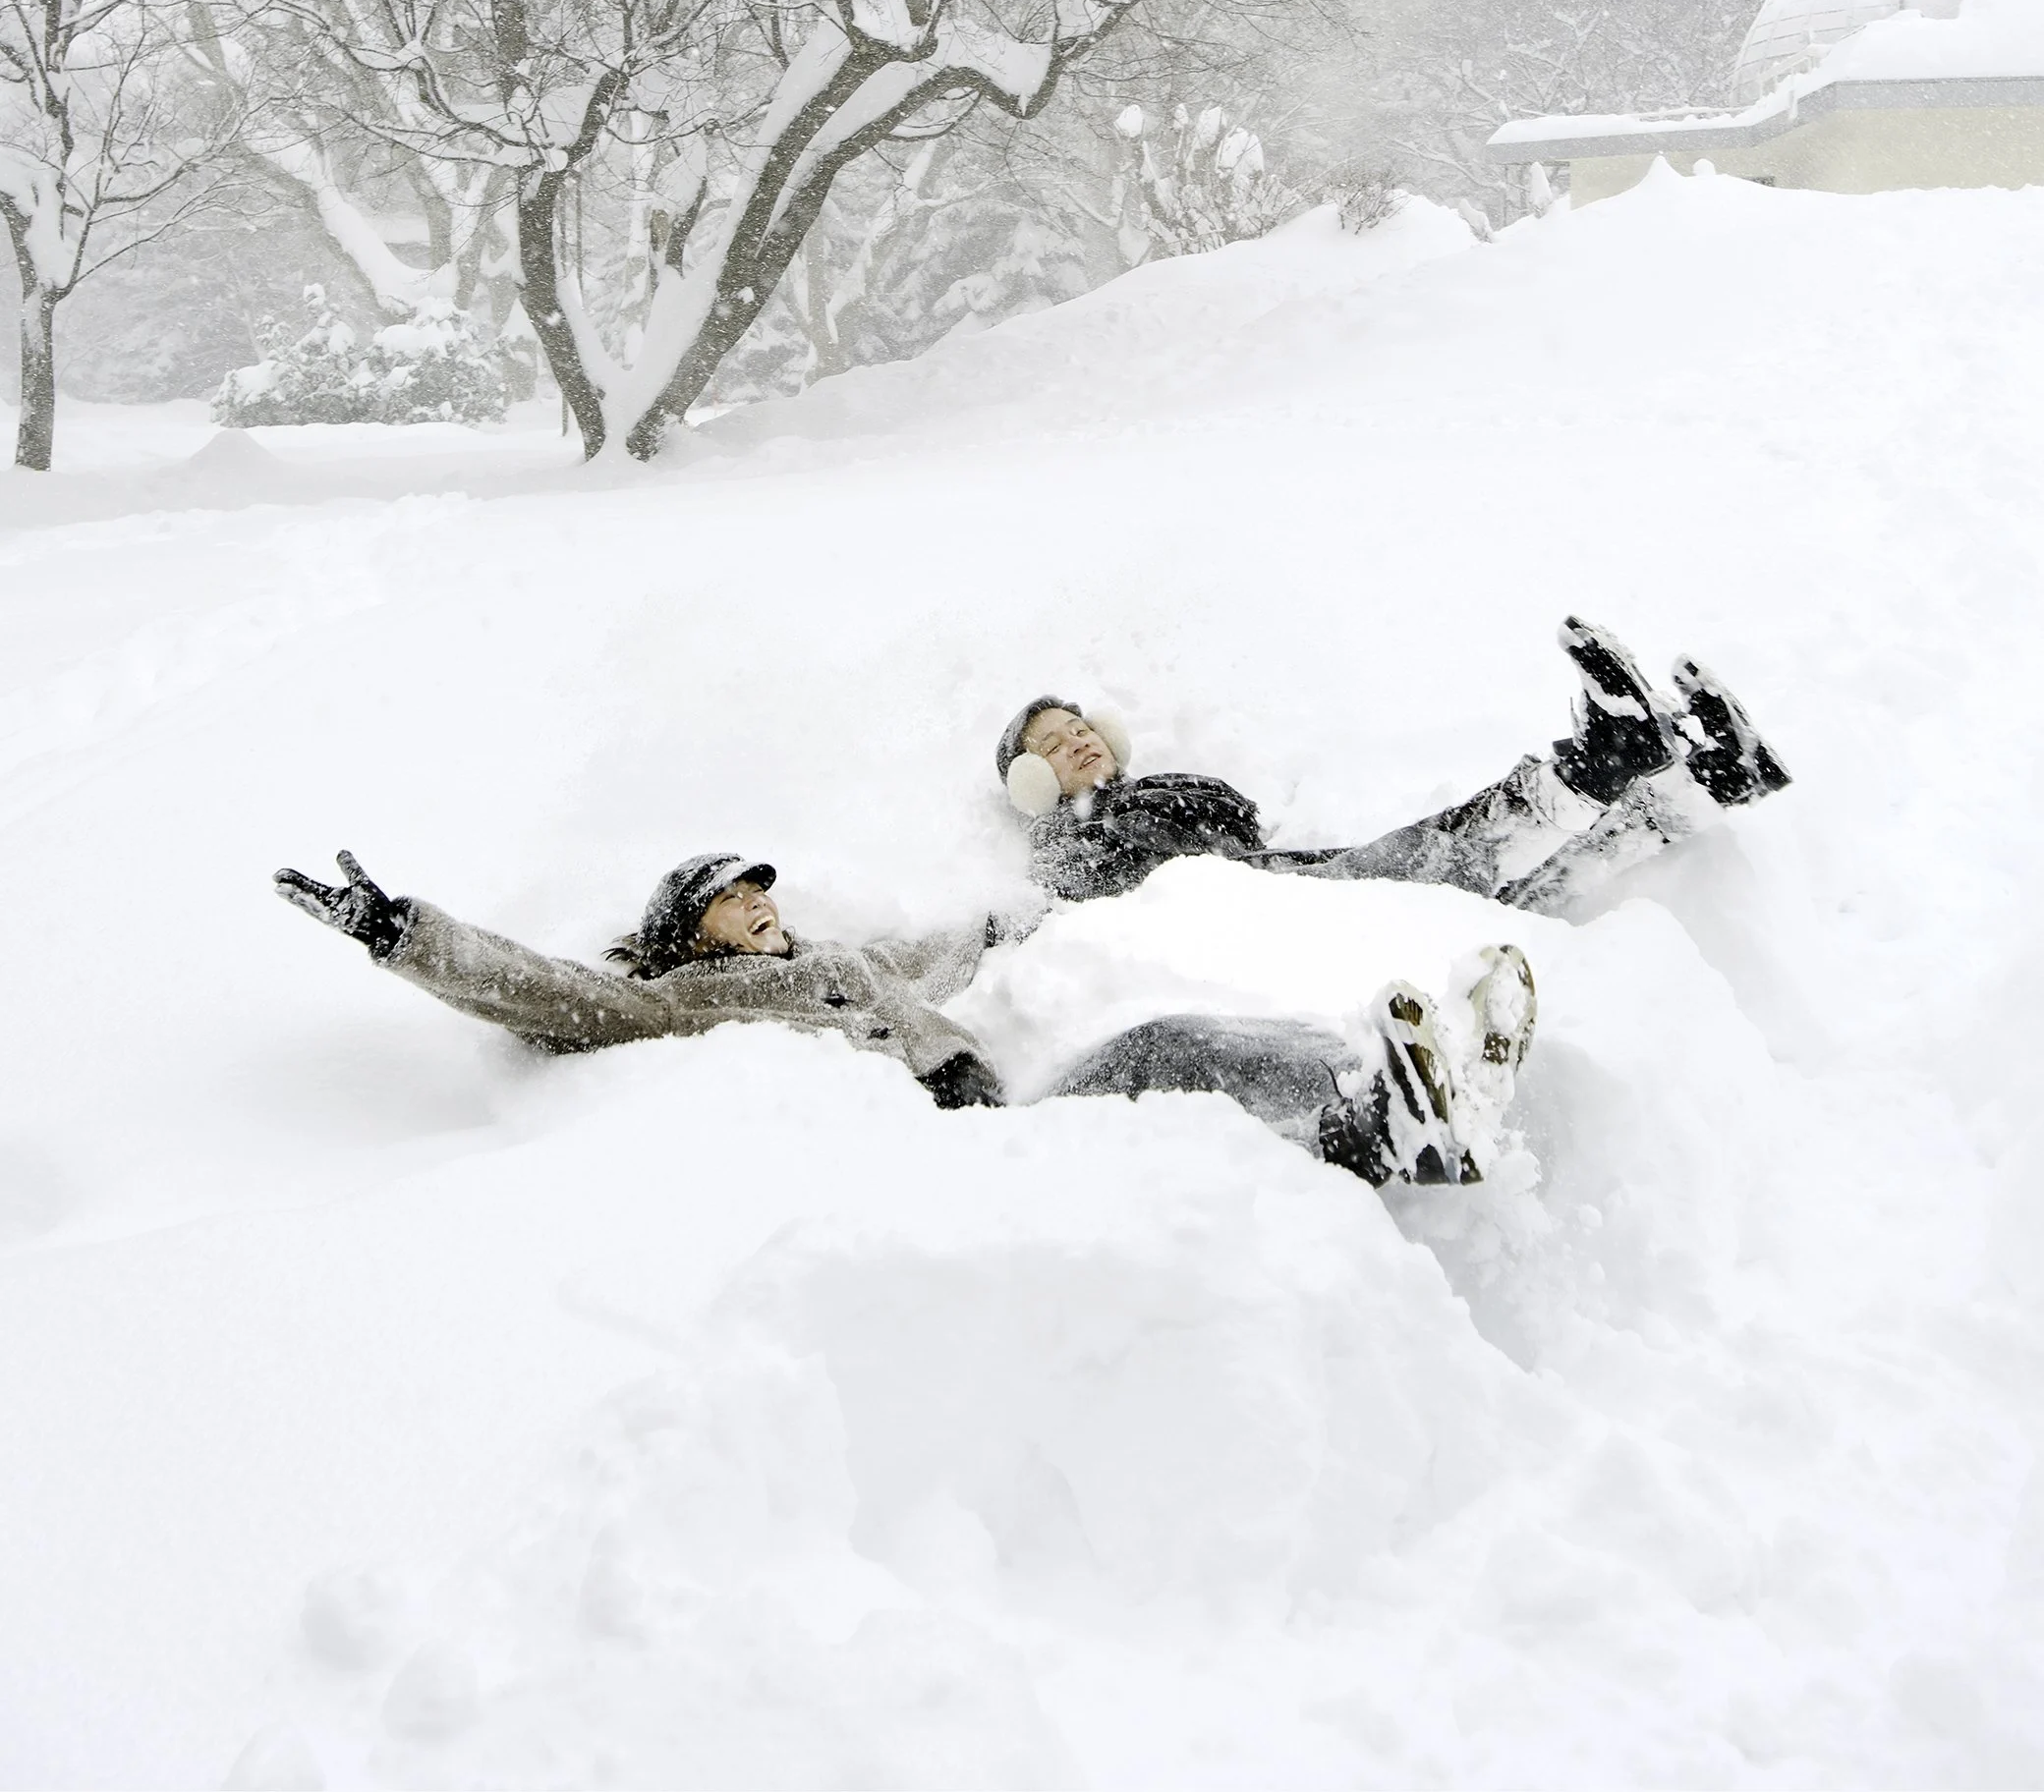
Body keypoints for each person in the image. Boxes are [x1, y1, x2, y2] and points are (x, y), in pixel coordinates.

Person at [271, 848, 1538, 1190]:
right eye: (730, 897)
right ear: (682, 926)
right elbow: (548, 993)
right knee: (1158, 1063)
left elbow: (941, 946)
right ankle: (1373, 1122)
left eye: (765, 891)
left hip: (982, 1111)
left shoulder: (847, 963)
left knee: (1164, 1041)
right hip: (925, 1155)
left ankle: (1382, 1095)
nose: (761, 907)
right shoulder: (661, 1004)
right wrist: (405, 935)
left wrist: (1014, 910)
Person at [995, 616, 1790, 911]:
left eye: (1078, 725)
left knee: (1504, 889)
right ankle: (1601, 765)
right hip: (1263, 918)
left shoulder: (1161, 791)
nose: (1077, 741)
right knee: (1445, 857)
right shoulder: (1065, 848)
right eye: (1052, 747)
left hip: (1280, 891)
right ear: (1035, 784)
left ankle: (1701, 781)